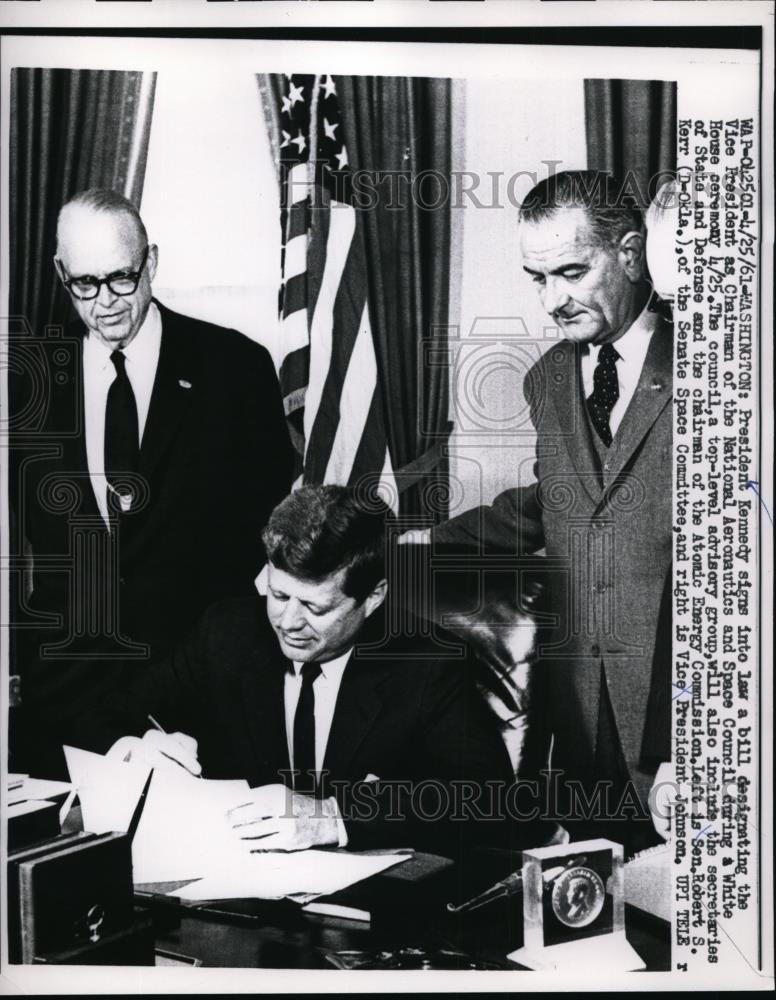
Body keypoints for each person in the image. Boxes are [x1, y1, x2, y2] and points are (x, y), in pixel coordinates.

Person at [408, 171, 673, 852]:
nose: (552, 299)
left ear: (632, 251)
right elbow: (554, 502)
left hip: (682, 723)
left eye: (572, 272)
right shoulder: (548, 379)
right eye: (537, 277)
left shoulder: (718, 362)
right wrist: (420, 542)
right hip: (582, 724)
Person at [9, 189, 293, 777]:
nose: (105, 303)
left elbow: (261, 535)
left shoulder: (234, 368)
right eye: (84, 284)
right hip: (67, 697)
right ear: (62, 274)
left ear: (152, 263)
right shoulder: (26, 381)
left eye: (121, 279)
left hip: (197, 698)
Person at [93, 485, 529, 855]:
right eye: (279, 596)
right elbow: (108, 714)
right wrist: (135, 745)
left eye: (315, 607)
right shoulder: (225, 633)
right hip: (232, 892)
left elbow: (484, 801)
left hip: (362, 914)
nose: (288, 623)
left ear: (374, 598)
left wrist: (331, 817)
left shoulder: (427, 661)